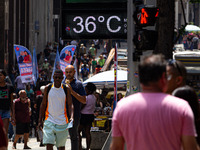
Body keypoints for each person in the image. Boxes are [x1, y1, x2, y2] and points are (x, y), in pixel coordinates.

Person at [110, 54, 198, 150]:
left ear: (140, 79)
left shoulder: (122, 107)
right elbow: (190, 147)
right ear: (163, 77)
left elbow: (116, 147)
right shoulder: (181, 107)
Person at [38, 69, 73, 150]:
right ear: (53, 77)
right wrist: (40, 120)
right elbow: (43, 104)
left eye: (59, 78)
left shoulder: (66, 88)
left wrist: (72, 116)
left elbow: (70, 104)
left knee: (61, 147)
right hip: (49, 121)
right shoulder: (48, 88)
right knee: (49, 144)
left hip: (62, 122)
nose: (57, 79)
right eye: (56, 77)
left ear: (62, 78)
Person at [65, 65, 86, 150]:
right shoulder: (60, 84)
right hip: (61, 114)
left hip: (75, 115)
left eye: (70, 72)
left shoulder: (79, 84)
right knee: (59, 136)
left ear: (74, 72)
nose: (68, 74)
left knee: (74, 136)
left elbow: (84, 100)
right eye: (67, 72)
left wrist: (72, 92)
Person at [78, 82, 96, 150]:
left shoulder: (86, 98)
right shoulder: (94, 97)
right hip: (90, 115)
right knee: (87, 132)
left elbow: (82, 106)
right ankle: (88, 148)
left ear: (88, 90)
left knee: (78, 131)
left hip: (84, 115)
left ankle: (79, 147)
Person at [0, 69, 14, 141]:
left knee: (4, 132)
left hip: (6, 111)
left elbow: (11, 101)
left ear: (4, 76)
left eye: (1, 75)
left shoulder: (10, 87)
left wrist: (13, 113)